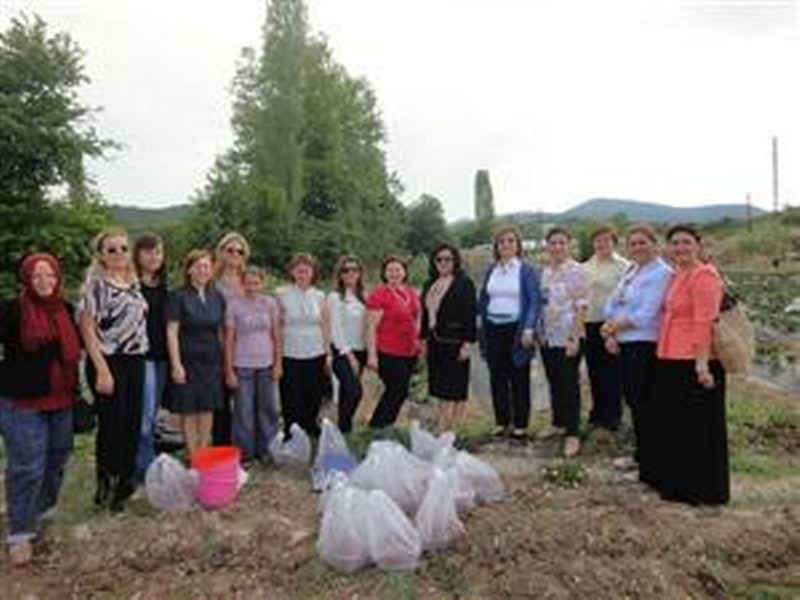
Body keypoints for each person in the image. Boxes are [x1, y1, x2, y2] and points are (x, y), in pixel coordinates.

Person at [0, 254, 82, 567]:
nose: (44, 281)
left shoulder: (66, 309)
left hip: (61, 400)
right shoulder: (11, 311)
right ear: (26, 280)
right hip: (20, 403)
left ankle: (42, 513)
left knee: (57, 458)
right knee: (27, 466)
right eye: (37, 276)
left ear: (58, 277)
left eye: (50, 275)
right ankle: (19, 532)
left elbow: (76, 351)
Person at [652, 224, 728, 505]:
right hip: (671, 356)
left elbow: (704, 322)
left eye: (686, 242)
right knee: (678, 425)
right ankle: (679, 486)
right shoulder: (678, 275)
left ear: (698, 245)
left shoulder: (704, 276)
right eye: (675, 243)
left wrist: (701, 365)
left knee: (700, 429)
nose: (680, 248)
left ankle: (704, 491)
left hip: (695, 361)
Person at [79, 228, 148, 511]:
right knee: (111, 427)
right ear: (101, 255)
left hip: (135, 360)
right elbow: (87, 329)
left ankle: (125, 484)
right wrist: (102, 370)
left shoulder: (132, 282)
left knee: (132, 423)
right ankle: (106, 489)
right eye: (112, 250)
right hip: (108, 362)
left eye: (123, 248)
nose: (119, 253)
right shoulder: (96, 285)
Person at [601, 224, 673, 482]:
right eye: (632, 244)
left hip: (644, 345)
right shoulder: (632, 270)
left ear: (655, 244)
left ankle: (650, 462)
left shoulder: (661, 273)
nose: (637, 248)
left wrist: (612, 328)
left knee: (644, 403)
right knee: (633, 401)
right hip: (625, 342)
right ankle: (642, 455)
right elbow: (611, 302)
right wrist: (609, 332)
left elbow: (646, 314)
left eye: (643, 242)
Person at [478, 227, 542, 440]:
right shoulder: (491, 270)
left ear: (518, 245)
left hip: (517, 330)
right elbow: (484, 300)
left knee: (519, 377)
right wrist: (480, 326)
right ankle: (501, 421)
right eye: (502, 242)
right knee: (497, 377)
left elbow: (534, 302)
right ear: (496, 247)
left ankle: (520, 425)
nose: (506, 245)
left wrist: (529, 328)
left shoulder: (526, 270)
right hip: (493, 329)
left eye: (511, 241)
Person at [166, 250, 226, 455]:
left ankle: (204, 451)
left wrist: (224, 361)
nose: (203, 270)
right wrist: (176, 365)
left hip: (211, 360)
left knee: (207, 407)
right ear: (189, 270)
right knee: (190, 409)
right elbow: (172, 332)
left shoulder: (216, 296)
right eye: (198, 266)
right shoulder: (178, 296)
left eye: (206, 266)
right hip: (188, 360)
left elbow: (220, 331)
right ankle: (193, 455)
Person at [224, 266, 282, 463]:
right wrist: (229, 370)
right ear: (242, 283)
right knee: (244, 411)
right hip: (242, 365)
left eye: (256, 283)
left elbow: (276, 336)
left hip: (266, 364)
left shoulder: (270, 303)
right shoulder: (234, 305)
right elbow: (229, 339)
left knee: (268, 409)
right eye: (248, 283)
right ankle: (245, 454)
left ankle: (267, 451)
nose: (252, 287)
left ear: (262, 284)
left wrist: (278, 364)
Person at [540, 227, 589, 458]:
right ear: (547, 246)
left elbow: (582, 306)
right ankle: (557, 422)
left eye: (561, 242)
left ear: (569, 245)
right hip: (548, 337)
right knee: (554, 381)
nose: (557, 247)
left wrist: (574, 337)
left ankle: (572, 433)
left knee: (569, 384)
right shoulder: (546, 271)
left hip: (567, 336)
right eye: (553, 243)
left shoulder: (577, 271)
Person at [421, 243, 477, 432]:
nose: (443, 262)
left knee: (457, 387)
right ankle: (442, 424)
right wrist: (423, 340)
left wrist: (468, 343)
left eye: (448, 259)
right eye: (439, 259)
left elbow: (470, 315)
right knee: (440, 386)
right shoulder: (429, 283)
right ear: (434, 262)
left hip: (456, 341)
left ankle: (453, 428)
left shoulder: (464, 283)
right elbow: (425, 314)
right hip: (435, 341)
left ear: (455, 261)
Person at [582, 225, 629, 436]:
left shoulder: (624, 267)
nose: (602, 244)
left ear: (614, 242)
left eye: (606, 240)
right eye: (598, 241)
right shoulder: (586, 266)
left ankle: (612, 418)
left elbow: (627, 299)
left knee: (612, 372)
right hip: (589, 323)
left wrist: (615, 329)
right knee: (594, 371)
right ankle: (597, 413)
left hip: (611, 324)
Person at [277, 253, 330, 437]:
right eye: (299, 270)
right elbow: (277, 325)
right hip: (290, 350)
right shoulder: (281, 293)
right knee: (291, 392)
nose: (303, 274)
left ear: (312, 273)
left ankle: (310, 424)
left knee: (314, 391)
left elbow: (325, 325)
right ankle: (291, 428)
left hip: (315, 350)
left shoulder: (320, 295)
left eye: (306, 270)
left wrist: (328, 353)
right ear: (292, 272)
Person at [366, 256, 421, 428]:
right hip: (387, 351)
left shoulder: (410, 292)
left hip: (409, 351)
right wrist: (372, 355)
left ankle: (386, 426)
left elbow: (416, 317)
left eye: (398, 269)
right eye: (390, 270)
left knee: (401, 391)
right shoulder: (379, 295)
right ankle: (377, 426)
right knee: (397, 389)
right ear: (384, 273)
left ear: (404, 272)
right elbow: (370, 328)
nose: (394, 273)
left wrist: (418, 340)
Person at [132, 232, 169, 482]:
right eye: (148, 251)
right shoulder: (130, 285)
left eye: (157, 252)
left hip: (162, 357)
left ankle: (145, 460)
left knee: (152, 413)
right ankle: (144, 468)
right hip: (141, 357)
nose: (154, 256)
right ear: (138, 255)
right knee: (144, 418)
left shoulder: (165, 286)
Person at [212, 231, 250, 445]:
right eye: (230, 250)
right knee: (222, 399)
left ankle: (243, 444)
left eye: (240, 251)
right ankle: (222, 445)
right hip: (220, 345)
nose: (235, 254)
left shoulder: (248, 281)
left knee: (244, 400)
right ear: (221, 252)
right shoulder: (213, 282)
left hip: (246, 348)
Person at [327, 255, 367, 434]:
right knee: (355, 391)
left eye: (354, 269)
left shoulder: (363, 297)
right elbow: (335, 329)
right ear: (340, 275)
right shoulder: (335, 297)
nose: (351, 273)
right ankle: (344, 426)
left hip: (361, 351)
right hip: (343, 352)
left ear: (360, 273)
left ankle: (344, 431)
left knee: (346, 393)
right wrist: (349, 355)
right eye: (346, 270)